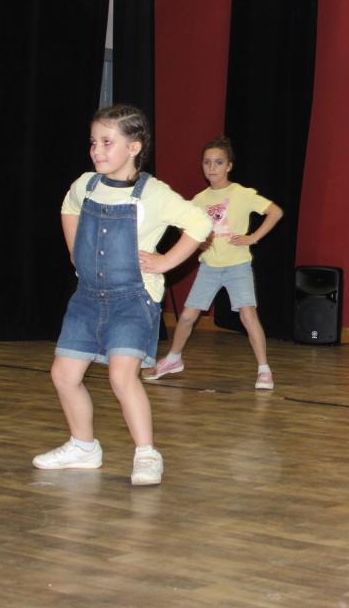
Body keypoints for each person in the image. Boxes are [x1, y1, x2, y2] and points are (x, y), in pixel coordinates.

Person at [33, 104, 212, 486]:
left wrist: (166, 261)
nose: (96, 150)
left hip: (133, 299)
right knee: (63, 375)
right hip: (87, 297)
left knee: (121, 376)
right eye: (93, 142)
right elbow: (68, 207)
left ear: (134, 147)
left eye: (107, 142)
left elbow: (200, 222)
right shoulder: (86, 185)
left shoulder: (154, 194)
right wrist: (75, 252)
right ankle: (83, 446)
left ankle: (146, 453)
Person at [145, 136, 284, 389]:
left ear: (229, 166)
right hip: (209, 267)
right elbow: (184, 225)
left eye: (218, 162)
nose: (212, 167)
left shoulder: (241, 193)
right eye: (207, 162)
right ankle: (173, 359)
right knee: (187, 316)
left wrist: (253, 237)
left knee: (248, 314)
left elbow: (275, 212)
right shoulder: (198, 200)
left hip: (237, 266)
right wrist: (197, 243)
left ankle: (264, 369)